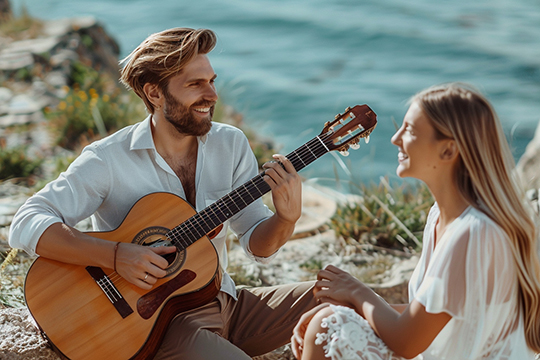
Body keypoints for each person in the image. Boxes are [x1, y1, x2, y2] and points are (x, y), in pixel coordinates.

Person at [9, 27, 317, 359]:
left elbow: (259, 245)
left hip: (223, 302)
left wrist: (287, 218)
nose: (212, 95)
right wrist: (115, 256)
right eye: (195, 84)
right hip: (154, 323)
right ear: (155, 94)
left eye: (212, 81)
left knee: (341, 293)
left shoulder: (230, 144)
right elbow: (26, 222)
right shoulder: (109, 158)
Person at [291, 83, 540, 360]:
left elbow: (408, 342)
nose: (395, 138)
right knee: (329, 317)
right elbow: (425, 319)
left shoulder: (473, 232)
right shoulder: (441, 216)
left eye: (409, 130)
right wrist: (349, 304)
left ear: (448, 151)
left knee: (330, 327)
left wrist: (355, 291)